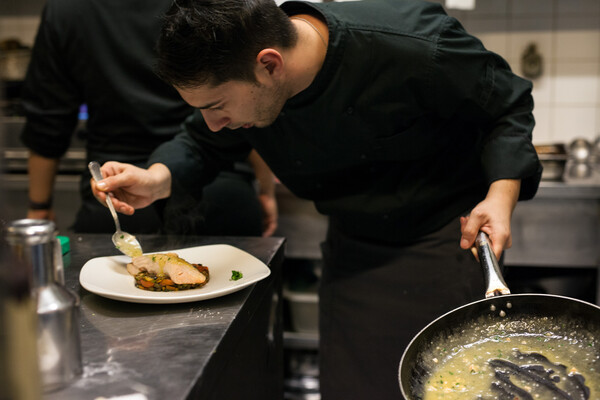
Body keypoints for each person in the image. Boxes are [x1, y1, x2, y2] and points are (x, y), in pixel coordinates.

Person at [90, 0, 543, 398]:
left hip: (443, 241)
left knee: (444, 386)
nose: (212, 122)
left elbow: (507, 105)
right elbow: (201, 143)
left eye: (216, 106)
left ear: (269, 64)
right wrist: (154, 179)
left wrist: (501, 195)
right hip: (351, 250)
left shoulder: (412, 43)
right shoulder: (253, 89)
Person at [20, 0, 277, 237]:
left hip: (116, 199)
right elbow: (248, 103)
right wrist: (265, 189)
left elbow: (47, 122)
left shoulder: (67, 9)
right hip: (219, 194)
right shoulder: (213, 5)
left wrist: (39, 207)